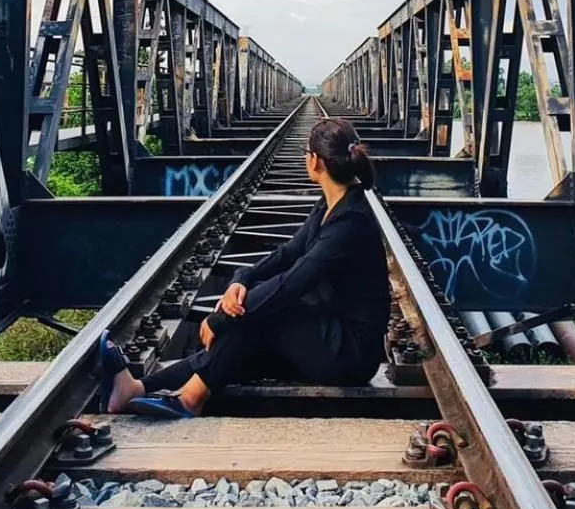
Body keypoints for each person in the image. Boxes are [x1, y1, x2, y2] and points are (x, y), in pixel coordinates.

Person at [97, 116, 390, 419]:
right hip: (329, 335)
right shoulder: (331, 205)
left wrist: (222, 317)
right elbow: (288, 253)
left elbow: (293, 283)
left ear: (315, 161)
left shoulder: (350, 221)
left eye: (306, 153)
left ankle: (189, 401)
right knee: (239, 346)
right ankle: (137, 388)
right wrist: (242, 278)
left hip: (351, 355)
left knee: (262, 314)